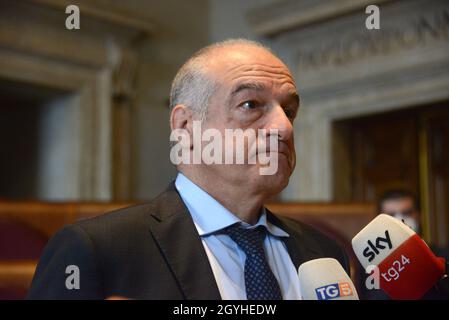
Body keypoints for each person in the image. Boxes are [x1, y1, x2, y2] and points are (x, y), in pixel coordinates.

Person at [27, 39, 349, 300]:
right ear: (185, 127)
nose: (284, 128)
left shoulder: (324, 254)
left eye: (289, 111)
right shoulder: (96, 251)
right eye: (251, 105)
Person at [359, 189, 449, 299]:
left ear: (420, 216)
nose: (400, 220)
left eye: (407, 213)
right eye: (391, 215)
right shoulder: (369, 266)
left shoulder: (444, 256)